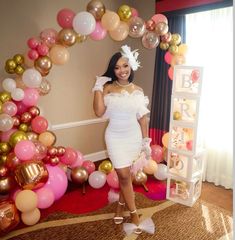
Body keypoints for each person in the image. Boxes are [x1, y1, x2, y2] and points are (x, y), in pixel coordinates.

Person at [92, 45, 154, 235]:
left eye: (125, 65)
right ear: (113, 70)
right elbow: (98, 112)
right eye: (117, 67)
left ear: (131, 66)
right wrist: (97, 87)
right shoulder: (108, 88)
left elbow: (142, 118)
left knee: (127, 176)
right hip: (114, 137)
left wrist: (145, 142)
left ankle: (120, 206)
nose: (122, 70)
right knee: (125, 176)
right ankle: (134, 215)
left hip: (133, 137)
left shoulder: (138, 90)